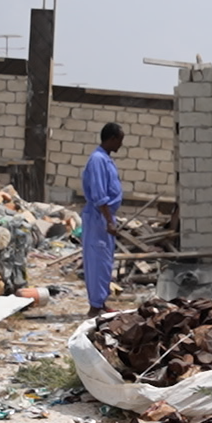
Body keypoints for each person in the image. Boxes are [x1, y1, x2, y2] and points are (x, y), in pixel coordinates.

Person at [81, 122, 124, 317]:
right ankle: (95, 306)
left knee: (105, 261)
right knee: (97, 261)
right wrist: (108, 220)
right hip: (98, 217)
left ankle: (101, 301)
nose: (121, 144)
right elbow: (99, 194)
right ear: (112, 138)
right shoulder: (97, 160)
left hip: (105, 216)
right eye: (120, 140)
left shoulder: (105, 159)